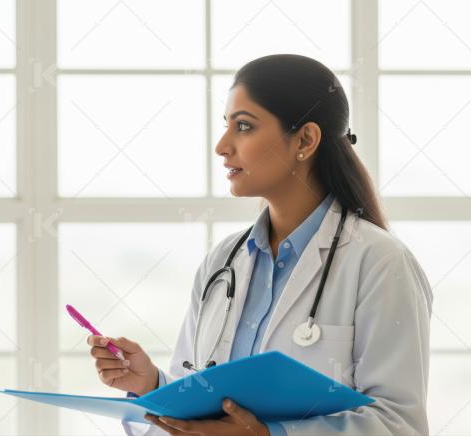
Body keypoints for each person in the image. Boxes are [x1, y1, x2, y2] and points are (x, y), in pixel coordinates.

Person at [87, 54, 432, 436]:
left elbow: (399, 425)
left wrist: (269, 435)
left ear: (305, 140)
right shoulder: (223, 261)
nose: (221, 146)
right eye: (227, 127)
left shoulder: (380, 262)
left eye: (244, 126)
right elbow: (201, 404)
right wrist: (149, 385)